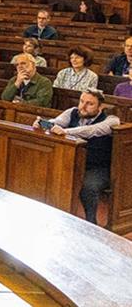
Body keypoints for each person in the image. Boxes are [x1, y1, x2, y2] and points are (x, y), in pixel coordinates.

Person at [34, 89, 118, 224]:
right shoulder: (72, 112)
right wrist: (43, 123)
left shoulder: (111, 120)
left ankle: (91, 223)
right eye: (81, 101)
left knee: (88, 187)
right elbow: (56, 121)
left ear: (100, 107)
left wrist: (65, 131)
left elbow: (92, 131)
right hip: (72, 163)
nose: (83, 107)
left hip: (97, 168)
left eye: (89, 104)